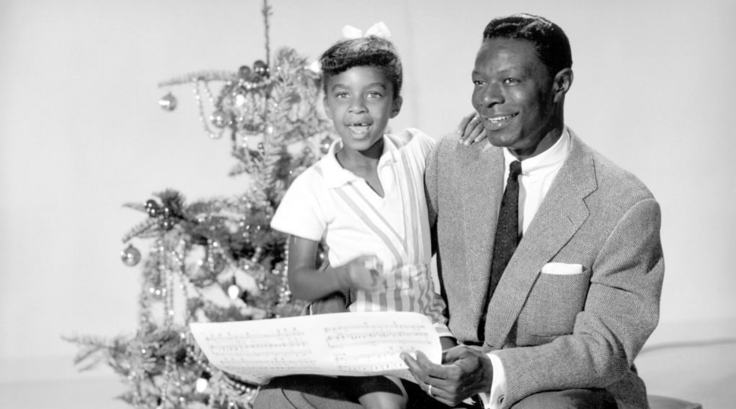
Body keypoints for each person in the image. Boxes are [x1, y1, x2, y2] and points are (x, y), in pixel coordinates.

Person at [401, 13, 664, 409]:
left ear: (560, 84)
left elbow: (605, 347)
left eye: (509, 81)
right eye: (479, 81)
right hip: (447, 375)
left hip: (559, 388)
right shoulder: (452, 159)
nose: (486, 98)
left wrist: (491, 372)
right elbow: (405, 263)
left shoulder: (625, 205)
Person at [257, 23, 484, 409]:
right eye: (342, 95)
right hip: (361, 329)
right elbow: (299, 281)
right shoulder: (314, 186)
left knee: (463, 390)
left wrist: (472, 139)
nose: (357, 108)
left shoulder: (416, 150)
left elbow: (458, 172)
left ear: (395, 103)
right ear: (327, 105)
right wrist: (343, 275)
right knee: (386, 403)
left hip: (425, 319)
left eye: (373, 95)